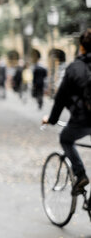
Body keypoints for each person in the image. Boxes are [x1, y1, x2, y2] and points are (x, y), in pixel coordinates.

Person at [42, 28, 91, 195]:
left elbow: (60, 98)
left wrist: (52, 119)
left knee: (65, 138)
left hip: (84, 120)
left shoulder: (75, 68)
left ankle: (80, 174)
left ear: (82, 47)